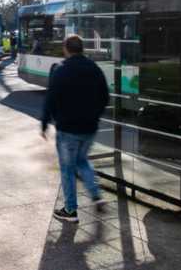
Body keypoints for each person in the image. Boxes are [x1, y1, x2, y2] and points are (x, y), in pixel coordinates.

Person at [41, 35, 109, 223]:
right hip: (89, 127)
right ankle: (96, 195)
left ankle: (70, 210)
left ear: (66, 49)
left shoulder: (61, 70)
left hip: (68, 129)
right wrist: (94, 115)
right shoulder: (94, 68)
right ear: (82, 48)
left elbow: (50, 99)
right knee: (82, 161)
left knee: (67, 169)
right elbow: (105, 97)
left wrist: (45, 124)